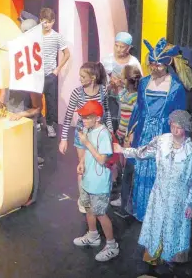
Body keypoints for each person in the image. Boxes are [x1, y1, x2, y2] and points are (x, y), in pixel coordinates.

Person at [114, 110, 192, 273]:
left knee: (173, 227)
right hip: (159, 195)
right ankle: (154, 255)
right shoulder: (162, 141)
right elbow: (142, 152)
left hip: (179, 198)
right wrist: (123, 150)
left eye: (180, 127)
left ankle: (170, 258)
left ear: (186, 128)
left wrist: (191, 203)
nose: (176, 131)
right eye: (173, 126)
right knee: (156, 226)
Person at [126, 37, 192, 221]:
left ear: (167, 64)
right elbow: (138, 108)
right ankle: (143, 211)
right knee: (142, 170)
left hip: (164, 133)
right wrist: (131, 131)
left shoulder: (175, 88)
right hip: (144, 133)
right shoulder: (144, 83)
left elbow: (179, 115)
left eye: (159, 65)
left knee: (160, 172)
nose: (155, 68)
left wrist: (178, 140)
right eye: (152, 64)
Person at [59, 62, 113, 213]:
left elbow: (106, 112)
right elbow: (69, 115)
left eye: (83, 76)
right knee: (82, 166)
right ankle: (83, 198)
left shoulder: (103, 91)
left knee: (98, 165)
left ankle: (96, 194)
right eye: (80, 76)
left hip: (99, 136)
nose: (80, 79)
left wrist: (110, 131)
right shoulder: (77, 93)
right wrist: (63, 138)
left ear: (93, 77)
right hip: (82, 135)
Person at [72, 101, 119, 262]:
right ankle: (93, 235)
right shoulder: (88, 129)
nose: (83, 119)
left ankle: (112, 245)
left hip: (99, 181)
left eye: (87, 117)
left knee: (100, 213)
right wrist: (82, 163)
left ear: (97, 118)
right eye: (83, 116)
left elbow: (102, 159)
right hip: (88, 178)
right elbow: (87, 152)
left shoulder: (103, 134)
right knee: (89, 208)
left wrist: (86, 142)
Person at [110, 65, 142, 212]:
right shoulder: (126, 93)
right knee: (123, 167)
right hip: (122, 133)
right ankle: (124, 197)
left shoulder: (137, 97)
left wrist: (130, 134)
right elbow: (119, 97)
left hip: (129, 136)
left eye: (123, 77)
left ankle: (129, 200)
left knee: (130, 169)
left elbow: (135, 118)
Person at [102, 32, 143, 132]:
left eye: (122, 47)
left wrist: (123, 83)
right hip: (109, 96)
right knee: (109, 121)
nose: (118, 49)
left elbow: (139, 81)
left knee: (123, 123)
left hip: (127, 101)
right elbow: (101, 78)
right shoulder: (107, 59)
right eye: (116, 45)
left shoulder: (133, 62)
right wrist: (109, 82)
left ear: (128, 48)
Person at [39, 7, 70, 138]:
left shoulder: (57, 37)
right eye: (44, 22)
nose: (47, 24)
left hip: (49, 75)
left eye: (49, 22)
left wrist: (57, 70)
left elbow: (67, 54)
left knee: (50, 102)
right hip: (36, 75)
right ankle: (38, 121)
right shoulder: (35, 35)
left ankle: (50, 125)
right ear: (40, 21)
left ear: (54, 22)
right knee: (35, 101)